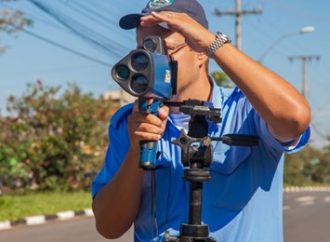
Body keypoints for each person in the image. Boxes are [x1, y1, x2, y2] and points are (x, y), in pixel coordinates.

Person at [91, 0, 311, 241]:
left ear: (200, 53)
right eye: (143, 49)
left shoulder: (248, 111)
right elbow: (108, 226)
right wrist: (136, 151)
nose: (151, 61)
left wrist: (214, 44)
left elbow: (294, 118)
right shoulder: (130, 122)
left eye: (164, 49)